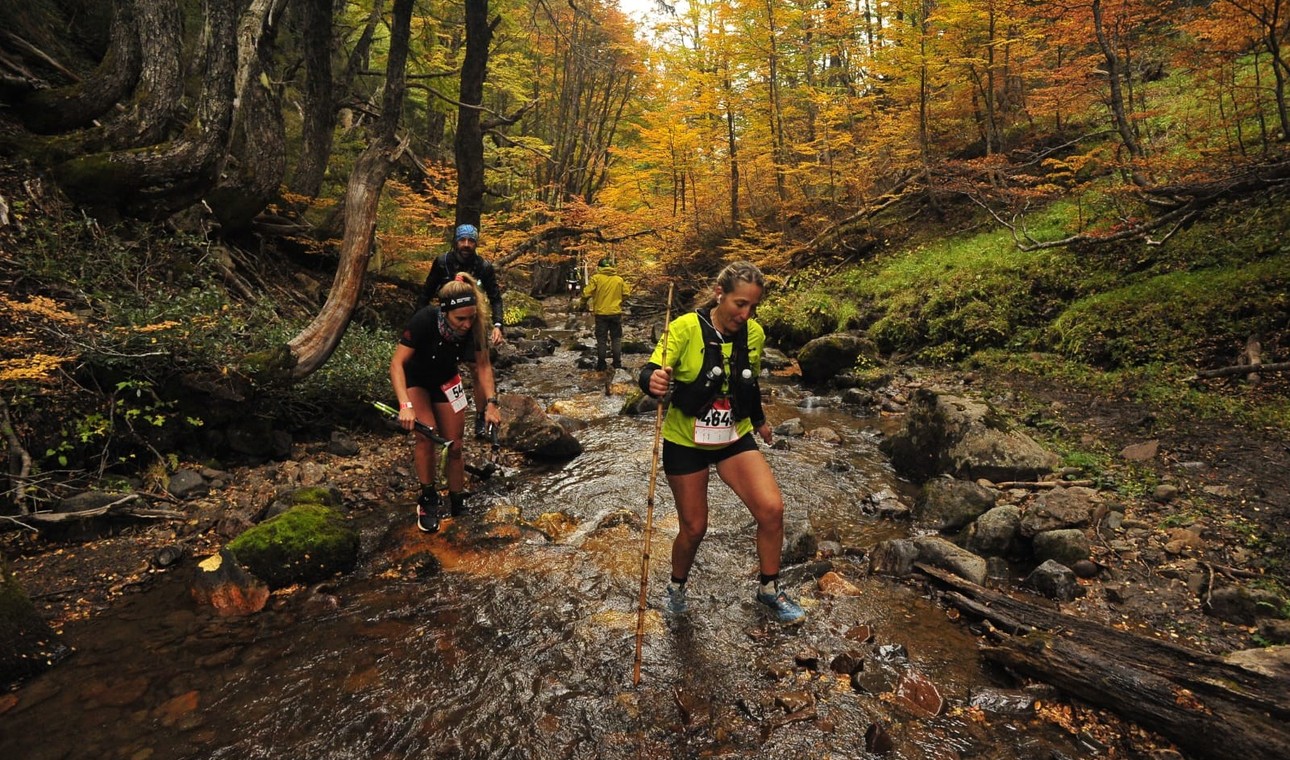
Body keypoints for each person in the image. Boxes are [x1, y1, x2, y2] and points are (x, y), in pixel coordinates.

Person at [637, 261, 806, 624]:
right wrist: (652, 381)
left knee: (772, 509)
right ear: (720, 294)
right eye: (739, 304)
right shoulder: (684, 328)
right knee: (695, 527)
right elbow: (650, 369)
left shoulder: (755, 335)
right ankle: (676, 587)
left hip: (733, 434)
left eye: (752, 307)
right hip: (686, 440)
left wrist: (759, 421)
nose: (745, 314)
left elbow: (749, 382)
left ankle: (769, 590)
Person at [391, 273, 502, 532]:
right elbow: (397, 363)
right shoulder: (424, 320)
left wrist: (491, 404)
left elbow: (483, 368)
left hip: (446, 380)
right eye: (460, 318)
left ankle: (457, 498)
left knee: (455, 444)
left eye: (471, 317)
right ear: (445, 312)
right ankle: (428, 497)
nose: (466, 324)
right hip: (416, 380)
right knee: (426, 435)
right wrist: (404, 404)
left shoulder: (475, 327)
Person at [418, 223, 505, 437]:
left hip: (474, 323)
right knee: (439, 368)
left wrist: (498, 325)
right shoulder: (442, 263)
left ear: (476, 243)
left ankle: (480, 416)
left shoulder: (483, 267)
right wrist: (420, 322)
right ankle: (435, 412)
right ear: (456, 241)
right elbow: (426, 292)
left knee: (478, 369)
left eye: (471, 241)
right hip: (445, 323)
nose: (466, 245)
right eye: (462, 240)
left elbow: (495, 297)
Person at [581, 256, 632, 371]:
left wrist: (582, 304)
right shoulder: (619, 279)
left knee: (601, 339)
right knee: (616, 338)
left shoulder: (596, 278)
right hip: (615, 313)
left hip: (601, 314)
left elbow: (586, 293)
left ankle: (601, 364)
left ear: (599, 267)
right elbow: (627, 293)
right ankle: (617, 363)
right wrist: (618, 301)